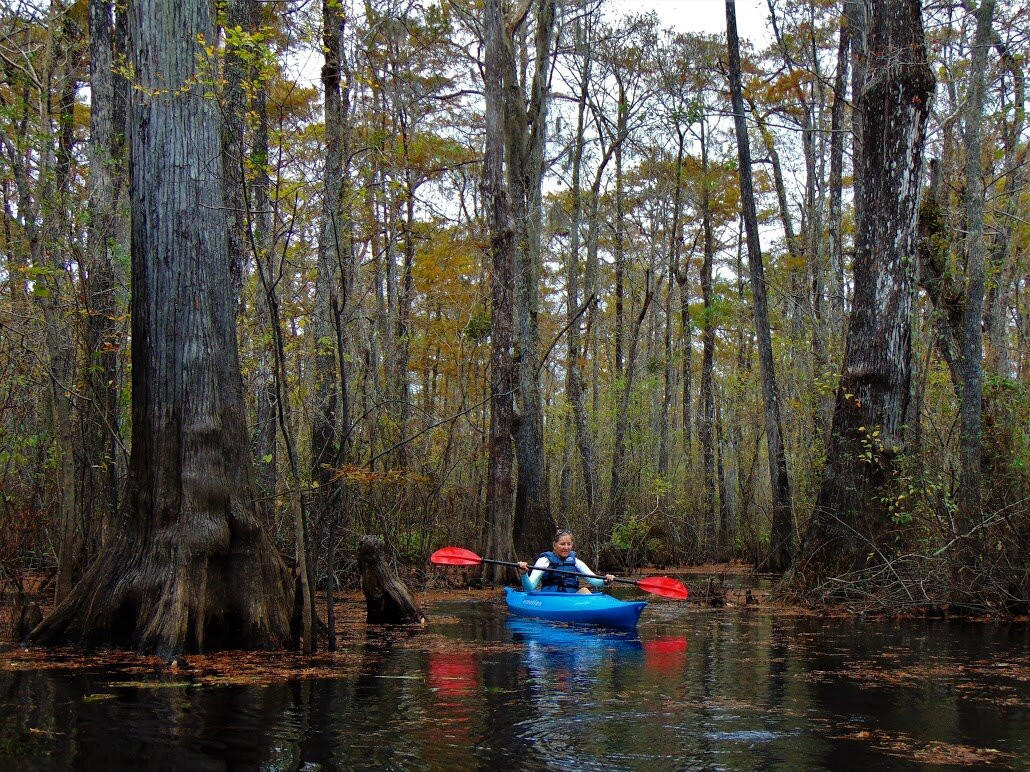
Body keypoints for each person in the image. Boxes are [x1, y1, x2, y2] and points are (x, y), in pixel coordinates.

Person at [517, 529, 614, 594]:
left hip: (571, 600)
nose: (566, 548)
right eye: (562, 544)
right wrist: (524, 574)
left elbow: (594, 580)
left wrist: (605, 580)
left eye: (569, 544)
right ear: (554, 545)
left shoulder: (576, 562)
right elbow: (529, 589)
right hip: (549, 599)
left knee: (584, 590)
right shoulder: (544, 562)